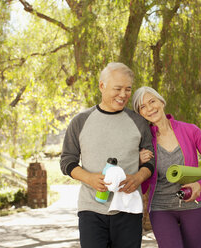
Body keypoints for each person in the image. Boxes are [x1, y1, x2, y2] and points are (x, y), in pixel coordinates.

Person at [60, 63, 155, 248]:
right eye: (117, 88)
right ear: (102, 86)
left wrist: (137, 178)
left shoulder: (139, 122)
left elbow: (150, 161)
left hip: (129, 209)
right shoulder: (80, 121)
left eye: (128, 89)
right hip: (91, 209)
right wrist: (89, 178)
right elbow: (67, 161)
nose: (123, 94)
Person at [132, 86, 201, 248]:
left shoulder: (191, 130)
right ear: (140, 114)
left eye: (152, 101)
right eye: (142, 107)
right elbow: (139, 181)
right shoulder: (143, 141)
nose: (149, 108)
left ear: (161, 102)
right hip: (161, 209)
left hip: (194, 206)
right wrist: (137, 161)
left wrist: (200, 185)